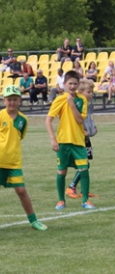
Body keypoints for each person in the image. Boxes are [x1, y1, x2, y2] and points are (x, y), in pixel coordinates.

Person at [0, 85, 48, 232]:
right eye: (9, 99)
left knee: (21, 190)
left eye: (15, 99)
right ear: (4, 100)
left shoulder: (23, 120)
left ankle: (33, 221)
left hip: (14, 161)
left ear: (20, 100)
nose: (12, 102)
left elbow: (19, 137)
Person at [45, 70, 95, 210]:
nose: (72, 86)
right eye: (70, 83)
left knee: (84, 169)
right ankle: (61, 200)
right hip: (63, 141)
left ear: (78, 84)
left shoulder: (82, 99)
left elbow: (80, 120)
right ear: (65, 84)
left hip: (78, 141)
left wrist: (71, 103)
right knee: (62, 171)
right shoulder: (59, 99)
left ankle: (85, 200)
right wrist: (53, 139)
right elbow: (48, 120)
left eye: (75, 83)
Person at [65, 79, 98, 199]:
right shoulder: (78, 104)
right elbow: (75, 121)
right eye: (89, 92)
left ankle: (84, 190)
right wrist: (82, 131)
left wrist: (92, 129)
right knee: (84, 164)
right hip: (78, 139)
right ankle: (71, 187)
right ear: (81, 92)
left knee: (86, 164)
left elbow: (88, 120)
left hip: (86, 138)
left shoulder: (88, 105)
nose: (91, 94)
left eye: (92, 91)